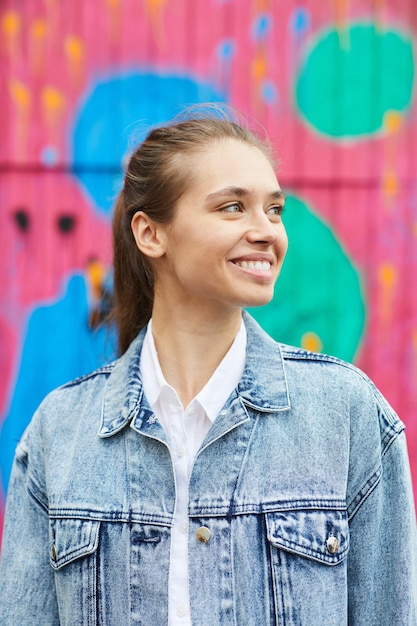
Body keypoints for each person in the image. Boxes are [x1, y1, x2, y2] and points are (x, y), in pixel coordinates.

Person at [0, 108, 416, 626]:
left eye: (274, 210)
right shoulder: (58, 432)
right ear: (151, 234)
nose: (267, 232)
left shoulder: (348, 416)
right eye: (233, 207)